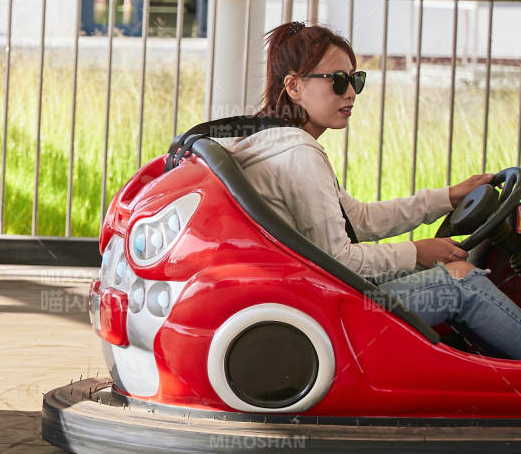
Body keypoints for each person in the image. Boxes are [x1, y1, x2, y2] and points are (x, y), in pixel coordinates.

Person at [212, 20, 521, 358]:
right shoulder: (298, 154)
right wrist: (417, 252)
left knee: (444, 271)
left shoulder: (273, 138)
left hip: (313, 297)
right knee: (460, 282)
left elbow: (356, 218)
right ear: (294, 87)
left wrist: (446, 197)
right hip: (329, 309)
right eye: (338, 81)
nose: (349, 93)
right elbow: (339, 260)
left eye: (355, 80)